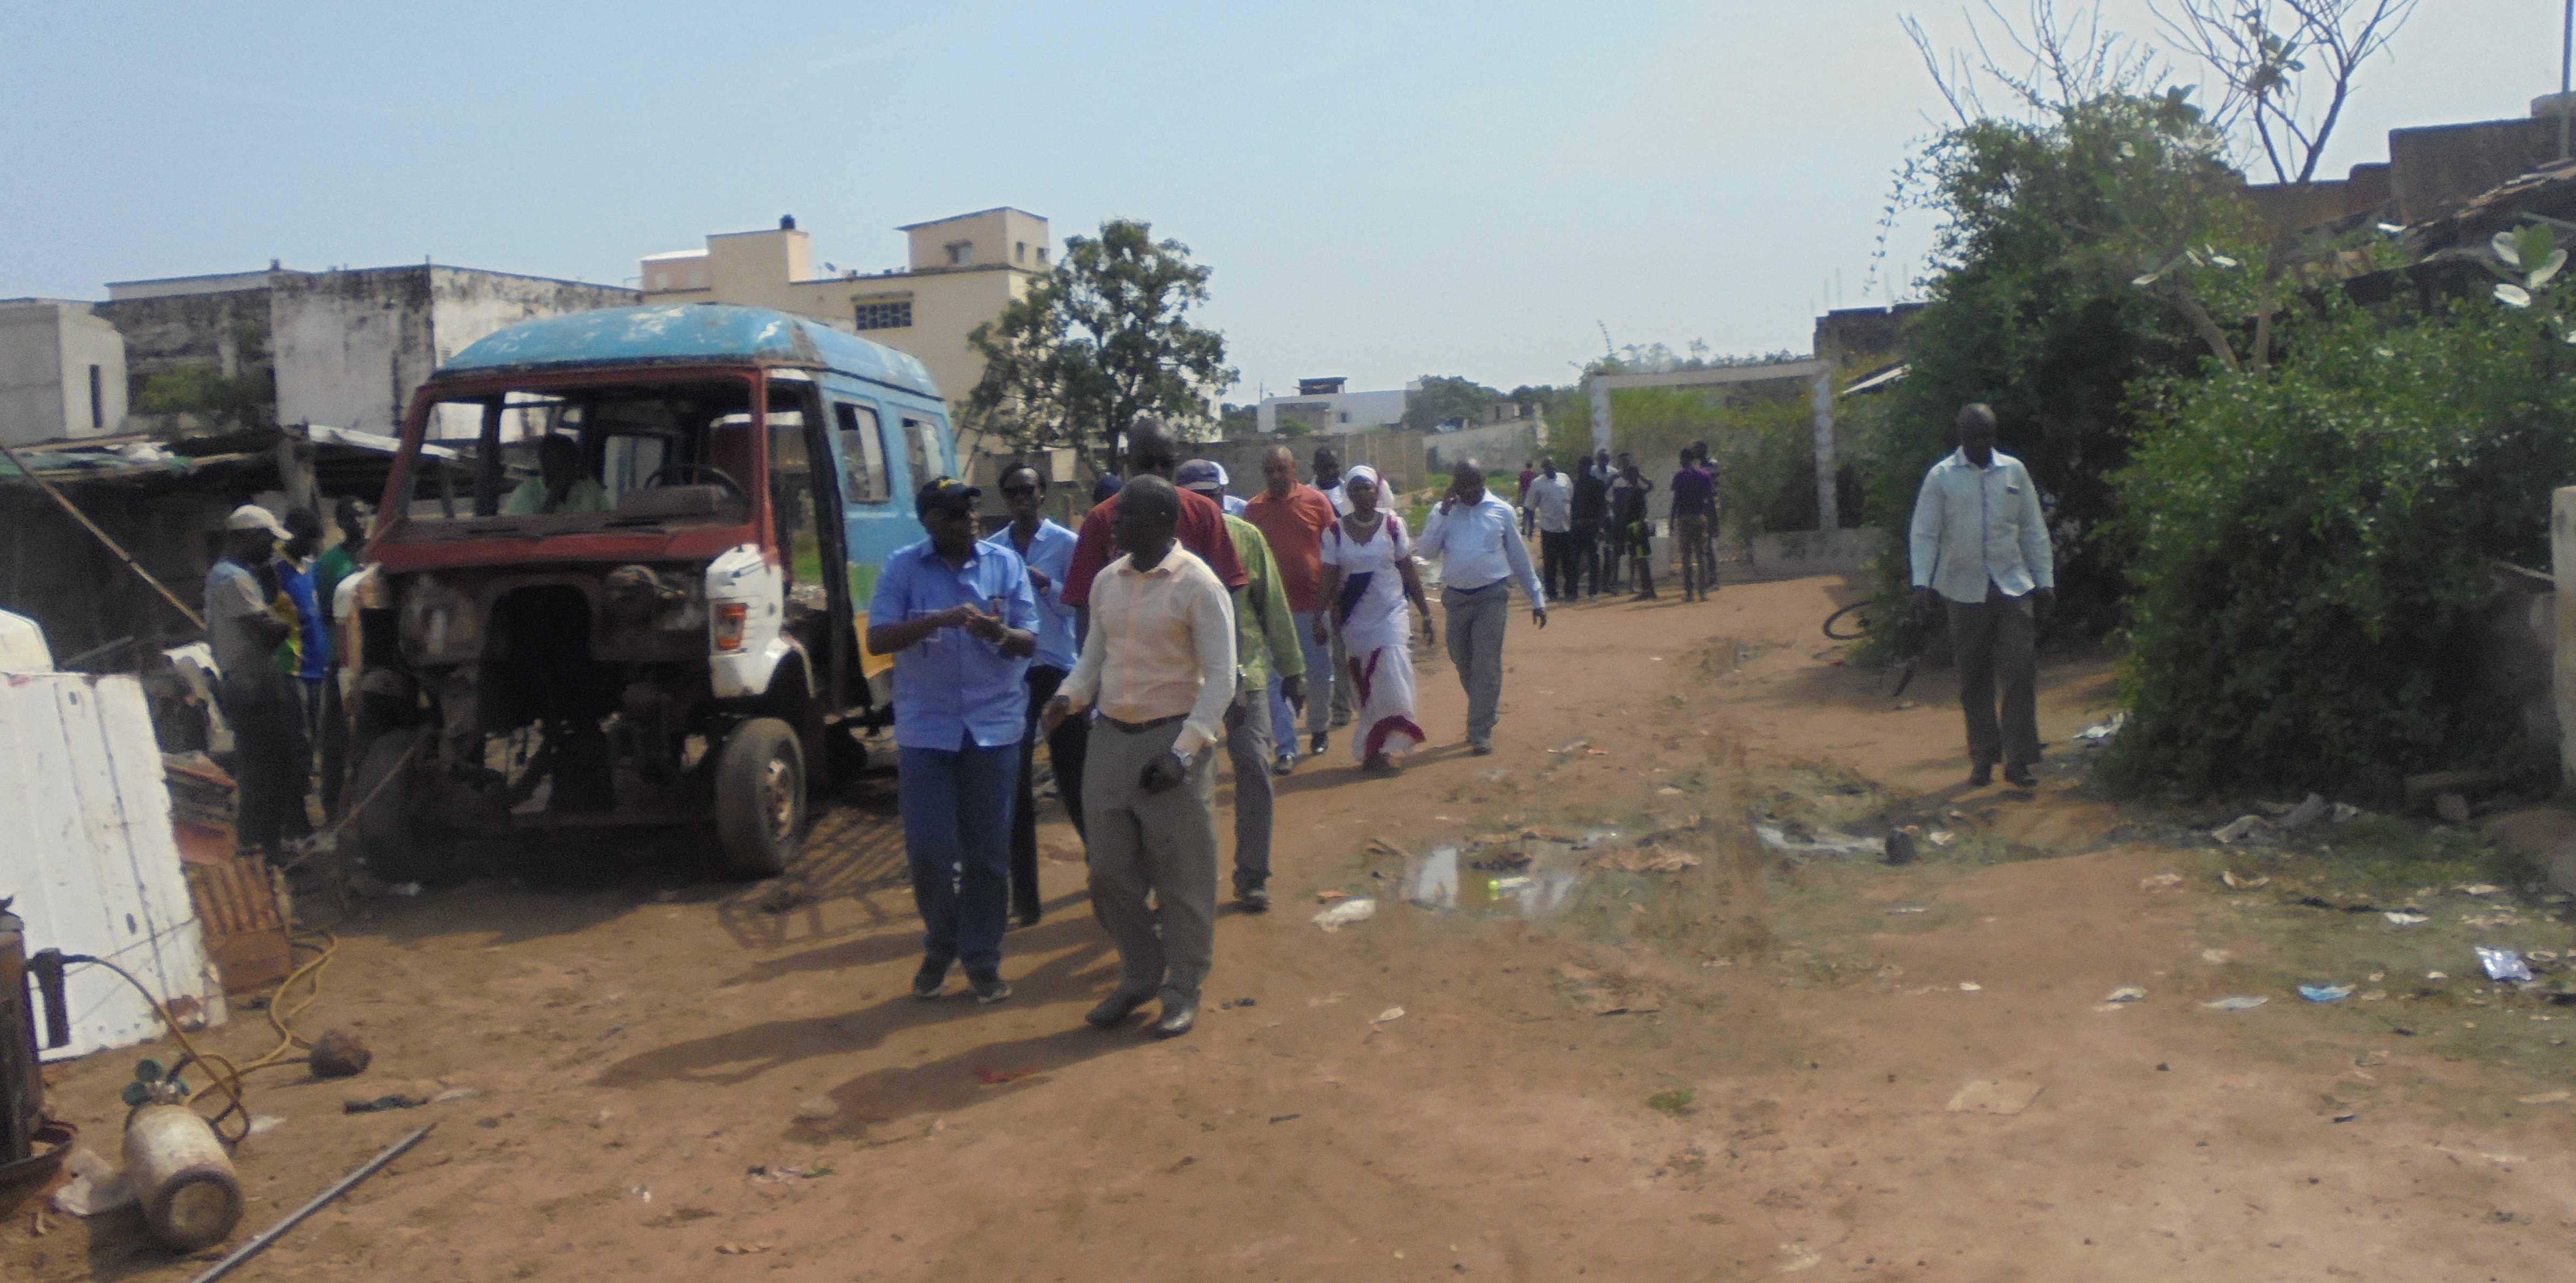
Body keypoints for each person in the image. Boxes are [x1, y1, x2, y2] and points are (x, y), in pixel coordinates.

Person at [1044, 476, 1236, 1039]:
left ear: (1162, 522)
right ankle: (1140, 972)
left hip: (1173, 739)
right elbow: (1092, 660)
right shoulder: (1107, 581)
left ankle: (1183, 987)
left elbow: (1222, 678)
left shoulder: (1198, 585)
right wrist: (1067, 697)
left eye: (1126, 515)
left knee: (1182, 876)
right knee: (1107, 871)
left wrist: (1184, 752)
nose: (1113, 523)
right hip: (1110, 738)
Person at [867, 479, 1040, 1004]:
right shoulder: (903, 568)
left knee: (988, 854)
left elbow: (1029, 640)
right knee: (929, 850)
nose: (970, 521)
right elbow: (877, 638)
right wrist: (936, 620)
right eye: (955, 515)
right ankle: (942, 943)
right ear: (930, 522)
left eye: (972, 511)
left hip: (993, 728)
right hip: (927, 730)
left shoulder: (1004, 565)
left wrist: (997, 632)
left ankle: (982, 958)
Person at [1909, 403, 2055, 789]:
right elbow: (1925, 533)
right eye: (1973, 437)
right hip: (1962, 589)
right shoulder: (1941, 477)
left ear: (1994, 435)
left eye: (1987, 436)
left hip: (2012, 586)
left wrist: (2045, 581)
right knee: (1973, 678)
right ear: (1960, 437)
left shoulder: (2013, 471)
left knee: (2019, 670)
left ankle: (2018, 761)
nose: (1980, 443)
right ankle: (1983, 758)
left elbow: (2032, 529)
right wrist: (1921, 584)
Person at [1180, 460, 1304, 910]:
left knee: (1253, 765)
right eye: (1194, 499)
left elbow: (1273, 605)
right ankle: (1182, 882)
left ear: (1223, 496)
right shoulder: (1167, 549)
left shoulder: (1247, 538)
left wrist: (1292, 670)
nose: (1204, 507)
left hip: (1245, 671)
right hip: (1185, 680)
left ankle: (1252, 874)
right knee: (1182, 781)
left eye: (1211, 497)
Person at [992, 463, 1082, 927]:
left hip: (1059, 672)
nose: (1021, 499)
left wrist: (1045, 583)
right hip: (1013, 675)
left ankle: (1108, 876)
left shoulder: (1066, 544)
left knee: (1074, 780)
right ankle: (1025, 900)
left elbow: (1077, 608)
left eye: (1028, 490)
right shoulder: (993, 550)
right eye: (1012, 492)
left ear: (1042, 493)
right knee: (1015, 787)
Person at [1416, 460, 1547, 754]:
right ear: (1454, 485)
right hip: (1456, 599)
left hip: (1492, 595)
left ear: (1483, 480)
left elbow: (1519, 558)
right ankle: (1485, 707)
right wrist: (1443, 513)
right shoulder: (1443, 513)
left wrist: (1537, 598)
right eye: (1462, 484)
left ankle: (1480, 730)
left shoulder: (1501, 511)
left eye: (1474, 483)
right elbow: (1426, 552)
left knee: (1486, 663)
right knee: (1462, 659)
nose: (1469, 490)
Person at [1063, 417, 1249, 622]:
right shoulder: (1101, 518)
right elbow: (1085, 605)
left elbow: (1226, 592)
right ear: (1127, 462)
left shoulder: (1203, 512)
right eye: (1147, 463)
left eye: (1166, 463)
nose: (1157, 471)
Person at [206, 504, 310, 854]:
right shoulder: (233, 579)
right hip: (251, 686)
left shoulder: (231, 574)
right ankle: (260, 848)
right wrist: (286, 622)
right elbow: (265, 634)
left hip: (251, 682)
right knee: (265, 770)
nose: (272, 548)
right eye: (267, 540)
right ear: (249, 538)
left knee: (268, 767)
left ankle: (265, 845)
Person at [1313, 466, 1431, 773]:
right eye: (1355, 488)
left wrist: (1425, 611)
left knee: (1392, 672)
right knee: (1367, 683)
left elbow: (1408, 570)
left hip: (1391, 613)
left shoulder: (1393, 525)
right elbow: (1328, 577)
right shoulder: (1334, 533)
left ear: (1377, 490)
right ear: (1349, 494)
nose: (1361, 493)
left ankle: (1389, 744)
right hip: (1355, 619)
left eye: (1366, 487)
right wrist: (1318, 616)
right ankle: (1374, 750)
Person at [1242, 444, 1340, 770]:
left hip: (1313, 608)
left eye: (1281, 469)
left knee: (1319, 675)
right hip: (1273, 612)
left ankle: (1319, 728)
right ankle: (1286, 747)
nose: (1276, 476)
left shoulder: (1317, 502)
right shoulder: (1254, 510)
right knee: (1274, 680)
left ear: (1294, 469)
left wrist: (1333, 602)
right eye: (1269, 471)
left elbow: (1334, 552)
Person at [312, 499, 368, 814]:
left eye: (362, 515)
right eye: (351, 517)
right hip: (343, 657)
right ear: (340, 522)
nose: (358, 521)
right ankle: (333, 805)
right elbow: (325, 612)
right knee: (336, 734)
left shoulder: (379, 553)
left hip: (381, 655)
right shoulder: (328, 564)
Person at [502, 434, 608, 515]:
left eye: (566, 462)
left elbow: (607, 522)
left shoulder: (588, 487)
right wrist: (553, 497)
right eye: (550, 462)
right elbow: (527, 532)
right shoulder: (526, 494)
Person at [1669, 446, 1718, 602]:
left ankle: (1689, 592)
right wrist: (1714, 521)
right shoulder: (1704, 475)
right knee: (1701, 555)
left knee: (1686, 556)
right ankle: (1702, 592)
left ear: (1684, 459)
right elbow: (1710, 500)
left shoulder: (1680, 476)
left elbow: (1676, 500)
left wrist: (1671, 520)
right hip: (1700, 517)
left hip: (1684, 518)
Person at [1526, 456, 1576, 602]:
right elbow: (1530, 507)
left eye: (1551, 465)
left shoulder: (1565, 479)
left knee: (1569, 563)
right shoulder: (1537, 484)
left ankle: (1570, 592)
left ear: (1555, 465)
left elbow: (1572, 499)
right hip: (1548, 530)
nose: (1550, 468)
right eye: (1547, 466)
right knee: (1550, 564)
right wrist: (1529, 528)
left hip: (1566, 528)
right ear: (1544, 468)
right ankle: (1552, 593)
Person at [1603, 452, 1649, 592]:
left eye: (1627, 461)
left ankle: (1631, 585)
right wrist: (1611, 505)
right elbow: (1602, 493)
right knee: (1617, 553)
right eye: (1623, 461)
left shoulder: (1636, 480)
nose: (1626, 463)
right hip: (1619, 521)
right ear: (1620, 463)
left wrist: (1640, 476)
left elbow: (1650, 486)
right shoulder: (1615, 478)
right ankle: (1614, 583)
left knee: (1634, 554)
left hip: (1633, 521)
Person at [1569, 456, 1608, 603]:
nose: (1579, 468)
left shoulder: (1597, 484)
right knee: (1574, 560)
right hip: (1577, 526)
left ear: (1588, 467)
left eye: (1582, 465)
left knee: (1593, 560)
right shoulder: (1574, 484)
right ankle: (1573, 592)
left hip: (1592, 526)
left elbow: (1602, 508)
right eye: (1580, 465)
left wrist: (1601, 528)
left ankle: (1593, 592)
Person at [1313, 445, 1352, 516]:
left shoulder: (1351, 493)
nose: (1331, 472)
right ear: (1315, 469)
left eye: (1335, 467)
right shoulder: (1306, 496)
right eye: (1326, 468)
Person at [1516, 459, 1539, 537]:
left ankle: (1523, 530)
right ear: (1531, 466)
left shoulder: (1522, 474)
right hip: (1532, 495)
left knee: (1525, 512)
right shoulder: (1534, 474)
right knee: (1532, 512)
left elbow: (1520, 486)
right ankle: (1531, 531)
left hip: (1524, 494)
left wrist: (1519, 496)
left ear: (1526, 466)